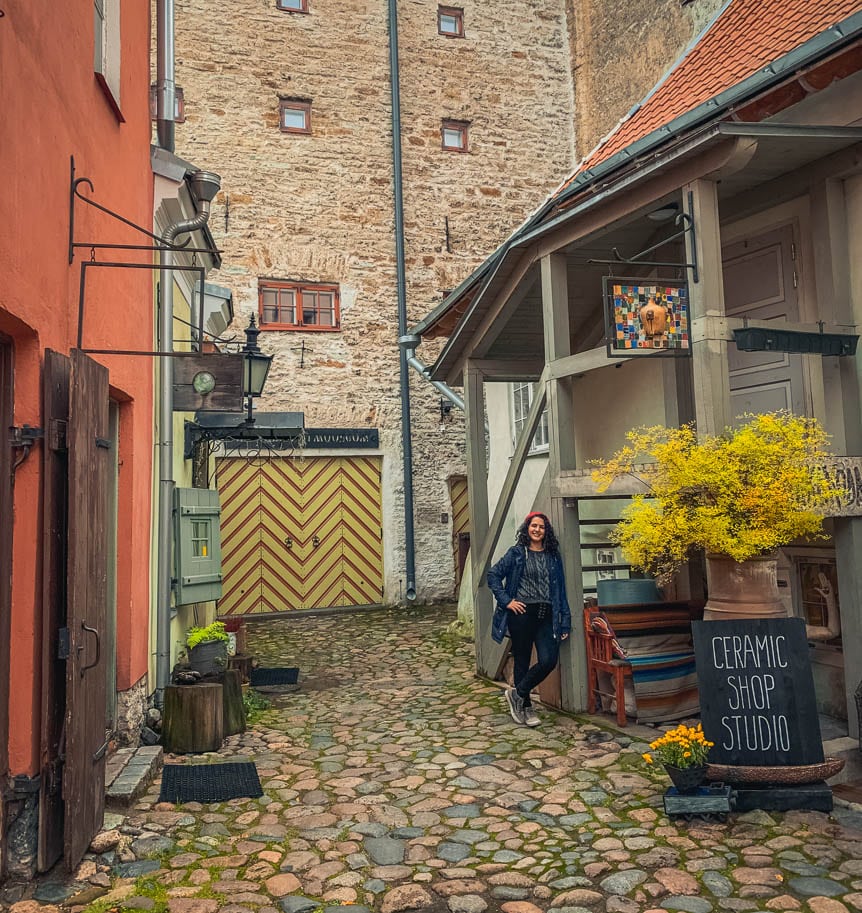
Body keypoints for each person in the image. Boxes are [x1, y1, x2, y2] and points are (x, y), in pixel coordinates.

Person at [487, 511, 571, 727]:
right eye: (533, 526)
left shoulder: (553, 556)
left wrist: (565, 620)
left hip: (546, 615)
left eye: (541, 527)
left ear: (546, 531)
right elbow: (493, 575)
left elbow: (560, 590)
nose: (537, 530)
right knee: (522, 661)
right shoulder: (516, 553)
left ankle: (517, 694)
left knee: (548, 660)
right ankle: (525, 707)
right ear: (527, 528)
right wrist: (507, 601)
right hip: (522, 614)